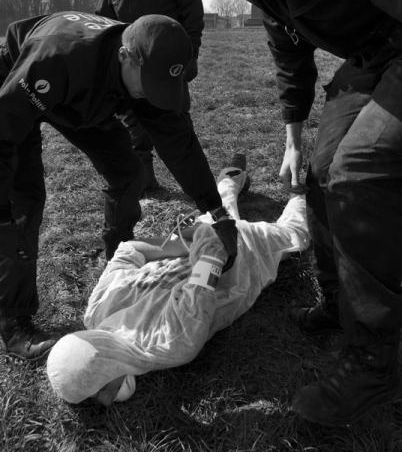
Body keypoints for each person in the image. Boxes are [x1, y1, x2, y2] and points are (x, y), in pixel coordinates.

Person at [154, 0, 402, 426]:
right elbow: (289, 52)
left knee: (360, 170)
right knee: (320, 170)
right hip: (372, 57)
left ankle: (375, 360)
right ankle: (341, 303)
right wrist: (293, 137)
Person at [0, 11, 230, 362]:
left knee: (129, 173)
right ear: (125, 57)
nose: (153, 94)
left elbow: (179, 143)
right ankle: (13, 320)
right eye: (149, 84)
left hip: (87, 97)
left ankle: (117, 256)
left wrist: (216, 210)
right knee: (23, 202)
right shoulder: (59, 57)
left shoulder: (149, 64)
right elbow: (3, 134)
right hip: (19, 83)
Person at [46, 155, 310, 406]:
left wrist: (194, 241)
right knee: (219, 211)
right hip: (202, 243)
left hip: (238, 256)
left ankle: (306, 183)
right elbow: (133, 252)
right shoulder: (96, 315)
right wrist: (190, 241)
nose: (105, 402)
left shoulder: (172, 342)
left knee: (296, 235)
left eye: (97, 393)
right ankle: (233, 175)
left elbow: (207, 264)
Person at [96, 0, 204, 193]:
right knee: (134, 130)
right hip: (130, 69)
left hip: (167, 66)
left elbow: (193, 15)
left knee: (177, 125)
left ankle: (197, 186)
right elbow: (106, 21)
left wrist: (190, 56)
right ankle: (146, 186)